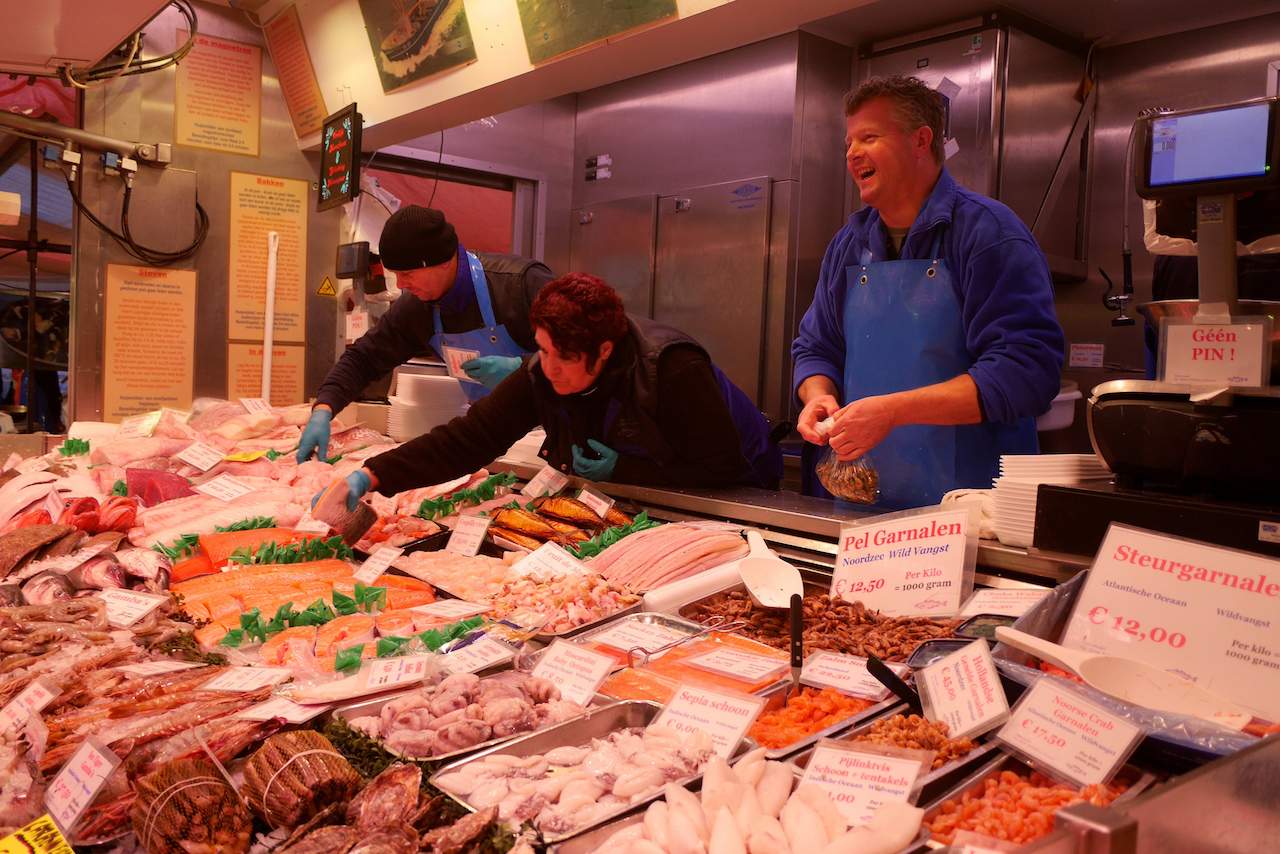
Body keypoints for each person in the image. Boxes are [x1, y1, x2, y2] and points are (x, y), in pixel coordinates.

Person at [792, 75, 1064, 508]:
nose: (852, 154)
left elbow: (1025, 370)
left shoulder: (987, 232)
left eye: (869, 137)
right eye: (849, 142)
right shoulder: (848, 244)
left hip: (976, 511)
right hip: (864, 505)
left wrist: (892, 412)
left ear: (920, 141)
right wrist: (818, 394)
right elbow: (815, 347)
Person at [322, 273, 782, 506]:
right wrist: (374, 475)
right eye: (542, 350)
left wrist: (630, 469)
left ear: (603, 351)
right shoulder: (545, 369)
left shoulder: (674, 368)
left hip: (738, 492)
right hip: (645, 498)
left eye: (564, 358)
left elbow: (722, 468)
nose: (550, 368)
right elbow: (469, 439)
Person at [297, 205, 554, 463]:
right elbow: (364, 358)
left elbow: (584, 349)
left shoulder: (520, 284)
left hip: (551, 435)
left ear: (442, 262)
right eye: (395, 274)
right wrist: (324, 407)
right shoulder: (418, 307)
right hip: (490, 438)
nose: (399, 285)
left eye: (407, 274)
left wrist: (523, 369)